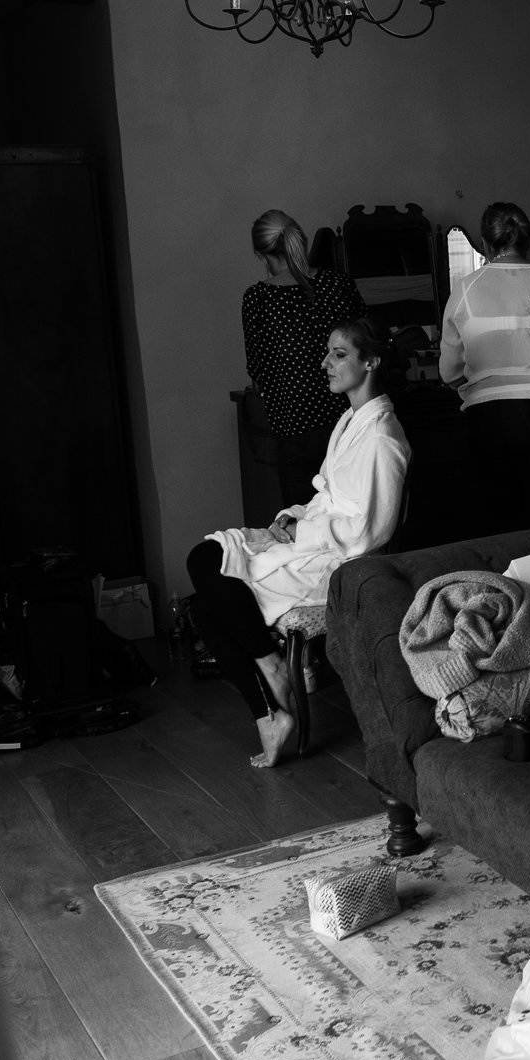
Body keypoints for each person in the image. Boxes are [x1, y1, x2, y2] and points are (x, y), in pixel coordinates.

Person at [187, 320, 410, 766]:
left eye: (339, 354)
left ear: (371, 361)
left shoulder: (382, 438)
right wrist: (295, 516)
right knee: (204, 558)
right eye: (327, 353)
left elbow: (369, 531)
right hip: (310, 541)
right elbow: (329, 498)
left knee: (202, 605)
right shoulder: (348, 421)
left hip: (338, 562)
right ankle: (271, 674)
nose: (326, 363)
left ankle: (268, 705)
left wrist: (301, 532)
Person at [437, 200, 530, 535]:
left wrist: (479, 385)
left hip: (490, 417)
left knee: (502, 515)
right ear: (527, 239)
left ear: (485, 242)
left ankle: (509, 584)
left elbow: (448, 371)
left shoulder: (465, 289)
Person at [241, 208, 369, 506]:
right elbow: (368, 342)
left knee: (305, 525)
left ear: (261, 255)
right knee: (354, 518)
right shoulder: (338, 284)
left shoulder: (258, 298)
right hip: (351, 423)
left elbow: (258, 370)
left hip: (298, 432)